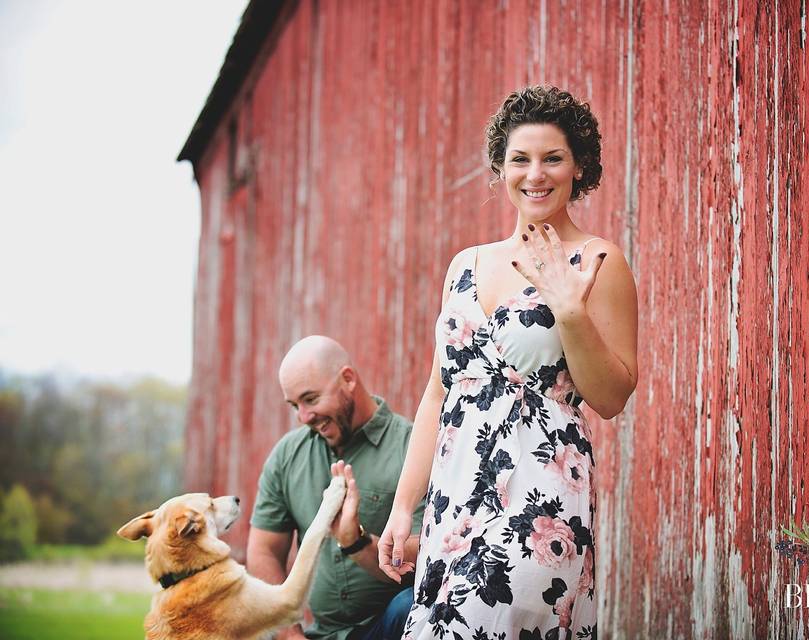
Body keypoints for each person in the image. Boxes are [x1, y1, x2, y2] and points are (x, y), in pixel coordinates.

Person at [378, 86, 639, 638]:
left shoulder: (597, 260)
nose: (535, 174)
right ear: (500, 167)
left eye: (553, 158)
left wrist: (570, 312)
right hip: (455, 498)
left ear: (578, 167)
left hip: (539, 496)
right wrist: (405, 509)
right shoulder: (465, 265)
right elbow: (437, 394)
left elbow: (611, 398)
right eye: (520, 158)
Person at [247, 335, 424, 640]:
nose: (304, 417)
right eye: (295, 405)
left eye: (311, 399)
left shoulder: (412, 448)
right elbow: (263, 550)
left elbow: (426, 552)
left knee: (409, 607)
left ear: (348, 379)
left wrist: (355, 542)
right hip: (318, 635)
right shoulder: (288, 456)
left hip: (388, 629)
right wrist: (289, 635)